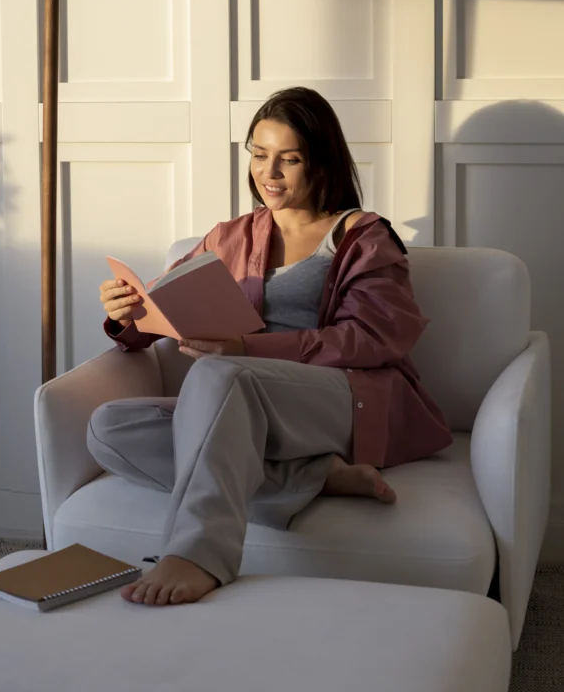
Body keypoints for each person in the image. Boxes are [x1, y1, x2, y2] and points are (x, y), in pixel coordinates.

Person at [88, 87, 452, 608]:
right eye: (259, 155)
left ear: (321, 160)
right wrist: (127, 314)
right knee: (108, 428)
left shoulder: (361, 236)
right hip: (240, 400)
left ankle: (198, 553)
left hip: (343, 397)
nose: (270, 173)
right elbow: (163, 312)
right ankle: (310, 475)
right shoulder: (229, 235)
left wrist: (245, 348)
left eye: (290, 159)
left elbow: (374, 339)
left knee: (220, 374)